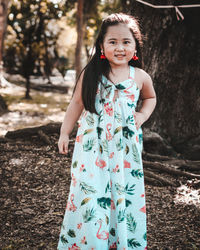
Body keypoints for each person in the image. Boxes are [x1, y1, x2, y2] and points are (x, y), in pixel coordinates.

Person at [57, 13, 156, 250]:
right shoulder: (91, 74)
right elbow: (76, 104)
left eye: (125, 42)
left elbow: (150, 98)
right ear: (102, 45)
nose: (119, 48)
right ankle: (89, 243)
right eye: (112, 42)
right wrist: (64, 132)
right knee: (91, 195)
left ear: (135, 46)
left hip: (124, 152)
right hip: (92, 149)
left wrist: (141, 115)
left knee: (121, 194)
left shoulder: (140, 77)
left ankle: (121, 242)